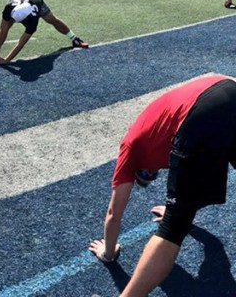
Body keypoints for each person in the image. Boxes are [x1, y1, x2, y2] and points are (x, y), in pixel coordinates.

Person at [88, 75, 236, 297]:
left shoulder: (130, 148)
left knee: (173, 227)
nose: (150, 173)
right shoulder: (155, 134)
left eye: (144, 174)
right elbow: (192, 181)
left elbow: (113, 213)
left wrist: (108, 253)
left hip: (203, 111)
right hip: (227, 87)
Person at [0, 0, 88, 65]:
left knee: (52, 19)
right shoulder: (9, 8)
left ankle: (74, 38)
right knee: (6, 26)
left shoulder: (33, 19)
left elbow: (21, 43)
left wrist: (7, 60)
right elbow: (2, 29)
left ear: (26, 19)